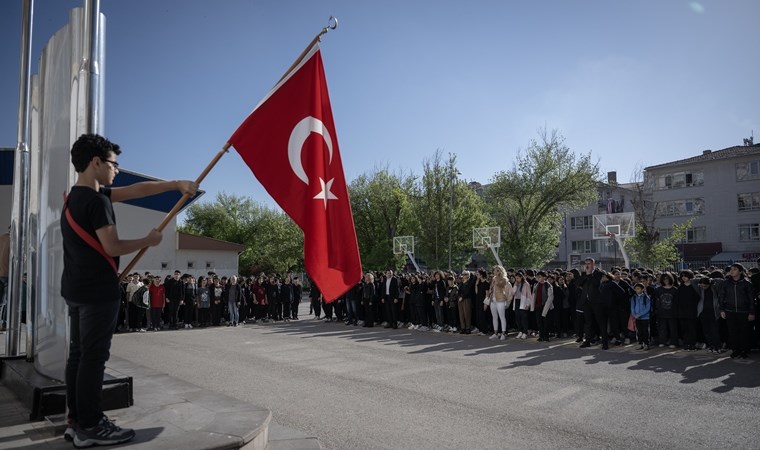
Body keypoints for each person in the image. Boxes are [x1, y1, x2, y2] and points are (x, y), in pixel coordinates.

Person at [61, 134, 197, 447]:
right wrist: (147, 242)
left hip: (75, 289)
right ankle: (92, 426)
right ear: (95, 162)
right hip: (98, 292)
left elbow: (137, 190)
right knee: (93, 358)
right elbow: (112, 245)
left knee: (79, 356)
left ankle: (76, 420)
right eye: (113, 164)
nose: (117, 170)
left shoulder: (76, 197)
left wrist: (175, 184)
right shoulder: (97, 202)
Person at [718, 263, 756, 359]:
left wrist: (751, 312)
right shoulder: (725, 283)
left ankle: (744, 350)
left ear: (740, 271)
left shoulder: (747, 283)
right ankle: (735, 350)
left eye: (734, 269)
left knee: (744, 332)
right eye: (731, 269)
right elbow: (721, 297)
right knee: (732, 332)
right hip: (729, 311)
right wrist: (722, 310)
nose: (732, 271)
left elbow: (752, 299)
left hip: (744, 311)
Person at [630, 283, 651, 350]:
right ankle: (640, 343)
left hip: (645, 318)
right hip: (637, 318)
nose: (637, 290)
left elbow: (647, 308)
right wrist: (634, 315)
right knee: (639, 331)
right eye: (636, 289)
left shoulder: (646, 297)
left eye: (638, 288)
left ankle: (646, 344)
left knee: (645, 331)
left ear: (642, 289)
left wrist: (639, 314)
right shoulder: (633, 297)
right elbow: (632, 307)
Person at [0, 226, 9, 332]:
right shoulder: (14, 241)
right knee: (7, 301)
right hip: (7, 275)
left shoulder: (1, 238)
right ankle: (4, 324)